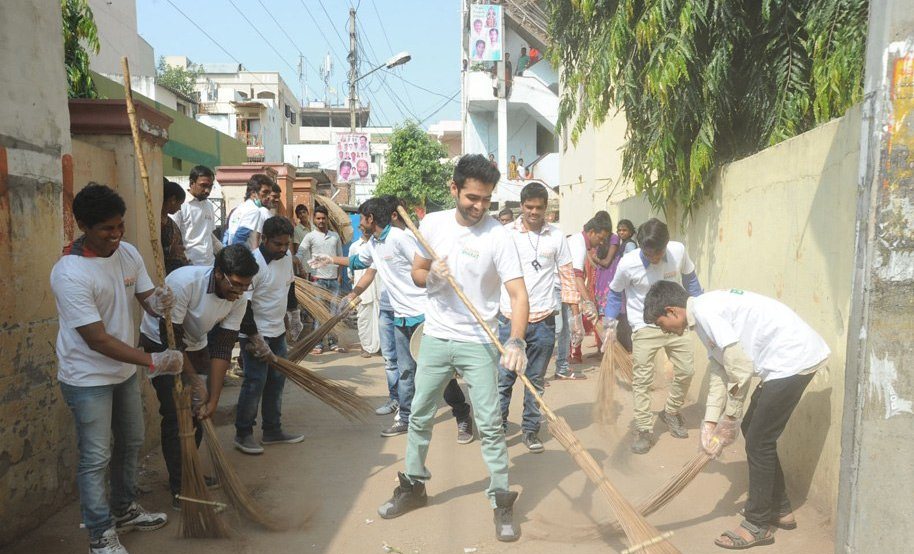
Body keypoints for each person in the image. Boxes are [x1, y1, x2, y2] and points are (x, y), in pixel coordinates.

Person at [377, 154, 529, 543]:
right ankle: (413, 485)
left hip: (480, 343)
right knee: (420, 415)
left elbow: (517, 293)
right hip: (436, 338)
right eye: (472, 198)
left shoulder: (499, 235)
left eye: (486, 200)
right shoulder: (432, 224)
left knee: (492, 424)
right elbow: (417, 271)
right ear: (454, 189)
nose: (479, 207)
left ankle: (500, 499)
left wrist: (515, 340)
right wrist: (432, 277)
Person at [643, 282, 829, 550]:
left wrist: (730, 418)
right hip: (783, 361)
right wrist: (709, 423)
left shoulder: (706, 312)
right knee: (753, 429)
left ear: (672, 311)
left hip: (792, 359)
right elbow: (721, 367)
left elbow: (740, 368)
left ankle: (757, 525)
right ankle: (780, 508)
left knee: (759, 440)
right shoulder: (703, 314)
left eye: (662, 324)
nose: (665, 331)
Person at [52, 183, 182, 554]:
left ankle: (124, 510)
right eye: (107, 229)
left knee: (131, 443)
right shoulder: (70, 273)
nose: (116, 234)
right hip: (87, 376)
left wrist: (160, 299)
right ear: (83, 225)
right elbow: (98, 339)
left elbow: (147, 299)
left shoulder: (127, 253)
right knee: (96, 456)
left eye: (120, 225)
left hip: (123, 373)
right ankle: (99, 532)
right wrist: (152, 360)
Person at [311, 196, 474, 441]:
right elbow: (360, 263)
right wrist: (332, 261)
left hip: (423, 316)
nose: (359, 224)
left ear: (371, 218)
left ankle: (462, 415)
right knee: (406, 371)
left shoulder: (401, 239)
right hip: (400, 319)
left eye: (362, 219)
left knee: (438, 373)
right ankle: (405, 418)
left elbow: (423, 266)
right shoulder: (375, 243)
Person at [138, 245, 259, 504]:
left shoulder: (239, 299)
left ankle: (191, 472)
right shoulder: (183, 283)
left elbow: (223, 347)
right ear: (218, 274)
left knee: (201, 411)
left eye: (245, 286)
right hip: (162, 342)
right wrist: (194, 382)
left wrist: (213, 398)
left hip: (196, 343)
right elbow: (173, 341)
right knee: (176, 413)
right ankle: (180, 487)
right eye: (235, 285)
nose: (239, 292)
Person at [604, 218, 703, 454]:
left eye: (658, 253)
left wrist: (701, 307)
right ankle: (644, 428)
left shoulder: (678, 251)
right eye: (648, 254)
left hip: (677, 321)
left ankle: (670, 412)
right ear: (641, 247)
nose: (654, 258)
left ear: (666, 245)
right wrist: (609, 324)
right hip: (644, 324)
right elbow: (615, 294)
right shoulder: (628, 264)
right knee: (642, 380)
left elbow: (690, 280)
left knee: (687, 370)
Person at [498, 183, 581, 453]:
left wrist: (575, 317)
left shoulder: (556, 237)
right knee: (504, 378)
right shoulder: (505, 234)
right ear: (521, 206)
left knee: (535, 381)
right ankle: (497, 427)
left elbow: (568, 277)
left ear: (547, 208)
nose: (534, 212)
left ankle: (531, 430)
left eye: (539, 208)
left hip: (544, 320)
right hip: (509, 321)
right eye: (529, 207)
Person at [233, 217, 305, 454]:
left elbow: (290, 286)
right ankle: (243, 433)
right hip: (254, 333)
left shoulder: (285, 259)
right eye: (277, 244)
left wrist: (294, 314)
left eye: (286, 244)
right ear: (263, 239)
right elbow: (244, 307)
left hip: (277, 332)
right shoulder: (252, 264)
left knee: (276, 382)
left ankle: (272, 430)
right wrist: (256, 339)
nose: (283, 249)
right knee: (255, 383)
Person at [562, 213, 612, 375]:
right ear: (591, 232)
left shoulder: (579, 243)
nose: (602, 242)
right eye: (600, 237)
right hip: (557, 289)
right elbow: (577, 277)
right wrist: (589, 302)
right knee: (560, 329)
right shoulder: (578, 244)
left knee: (565, 328)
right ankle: (561, 366)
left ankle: (562, 365)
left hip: (564, 289)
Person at [296, 204, 344, 354]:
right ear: (314, 220)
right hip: (318, 280)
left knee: (333, 314)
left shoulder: (335, 236)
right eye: (318, 218)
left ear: (327, 219)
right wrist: (299, 267)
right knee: (318, 313)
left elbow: (340, 258)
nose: (321, 221)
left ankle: (333, 343)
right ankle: (318, 345)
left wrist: (340, 275)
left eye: (323, 218)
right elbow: (300, 253)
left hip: (333, 280)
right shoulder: (310, 236)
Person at [171, 165, 216, 266]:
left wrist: (224, 251)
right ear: (192, 183)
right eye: (203, 185)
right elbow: (174, 236)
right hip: (189, 265)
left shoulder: (209, 205)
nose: (207, 191)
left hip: (209, 264)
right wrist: (183, 258)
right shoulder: (180, 205)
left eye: (210, 186)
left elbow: (209, 234)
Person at [348, 233, 380, 357]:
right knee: (364, 318)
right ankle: (365, 346)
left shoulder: (378, 244)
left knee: (379, 318)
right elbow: (350, 268)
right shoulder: (354, 246)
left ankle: (379, 346)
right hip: (362, 287)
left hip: (378, 285)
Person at [224, 174, 272, 250]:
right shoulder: (254, 210)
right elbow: (240, 238)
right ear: (253, 193)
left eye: (269, 193)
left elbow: (227, 236)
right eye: (265, 192)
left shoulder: (239, 208)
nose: (268, 196)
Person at [612, 219, 638, 351]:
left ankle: (628, 347)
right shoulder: (623, 245)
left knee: (625, 317)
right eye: (619, 230)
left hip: (627, 285)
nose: (621, 232)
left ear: (631, 232)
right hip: (623, 284)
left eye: (624, 230)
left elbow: (629, 265)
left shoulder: (630, 246)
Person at [162, 179, 190, 275]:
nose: (179, 208)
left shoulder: (170, 222)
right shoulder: (156, 223)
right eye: (180, 204)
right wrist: (170, 250)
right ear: (172, 200)